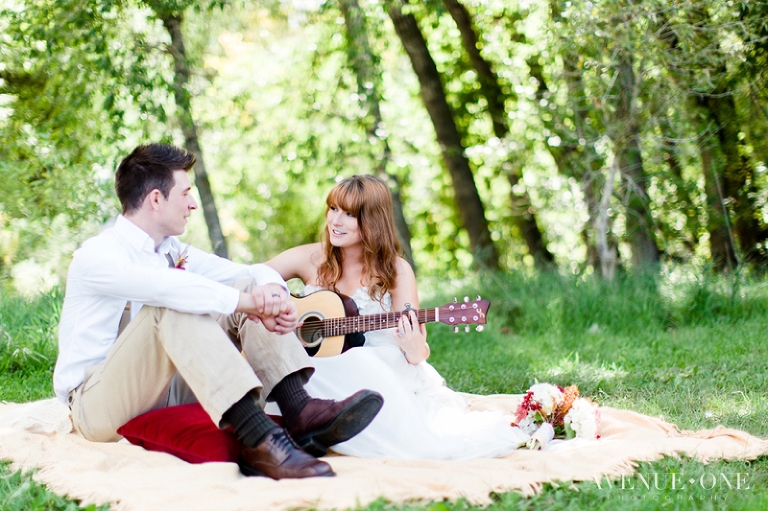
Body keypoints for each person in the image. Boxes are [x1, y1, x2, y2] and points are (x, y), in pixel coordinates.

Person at [52, 144, 384, 480]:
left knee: (241, 285)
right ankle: (261, 439)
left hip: (167, 390)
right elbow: (167, 288)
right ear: (156, 199)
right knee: (172, 305)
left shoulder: (172, 250)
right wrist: (250, 303)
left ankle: (299, 407)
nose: (193, 204)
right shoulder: (97, 256)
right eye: (185, 194)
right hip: (96, 404)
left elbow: (248, 272)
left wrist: (274, 296)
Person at [266, 175, 528, 460]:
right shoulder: (310, 258)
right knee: (293, 369)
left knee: (358, 360)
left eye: (350, 214)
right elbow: (249, 278)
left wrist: (413, 342)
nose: (336, 221)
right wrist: (279, 304)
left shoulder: (396, 270)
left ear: (372, 221)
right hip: (318, 363)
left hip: (379, 368)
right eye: (333, 209)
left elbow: (417, 354)